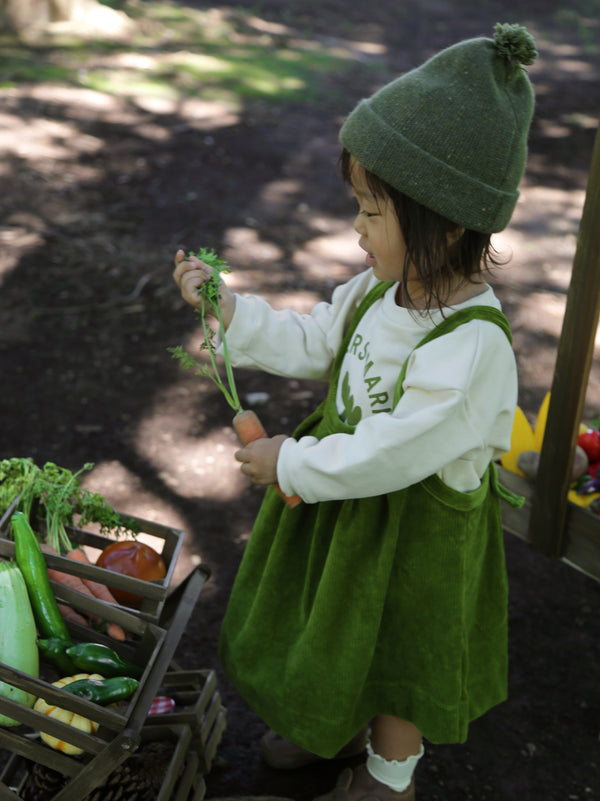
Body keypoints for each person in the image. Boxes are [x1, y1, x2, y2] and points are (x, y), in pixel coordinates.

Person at [173, 23, 537, 801]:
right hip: (348, 514)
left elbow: (395, 451)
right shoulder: (381, 288)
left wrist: (293, 461)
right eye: (359, 205)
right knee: (339, 630)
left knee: (398, 653)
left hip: (415, 536)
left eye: (372, 211)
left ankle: (387, 777)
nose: (356, 227)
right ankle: (333, 722)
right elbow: (312, 340)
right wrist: (232, 311)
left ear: (445, 220)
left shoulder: (473, 347)